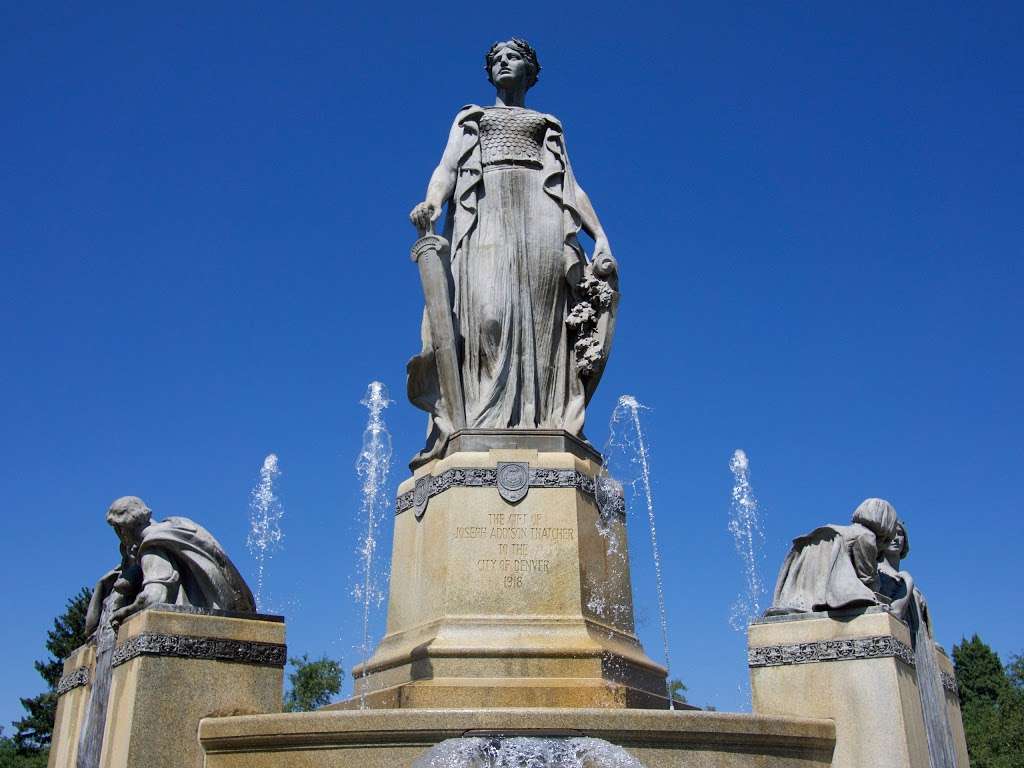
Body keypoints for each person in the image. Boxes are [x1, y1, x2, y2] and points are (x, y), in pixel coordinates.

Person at [407, 39, 618, 466]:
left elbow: (571, 187)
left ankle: (541, 420)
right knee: (487, 315)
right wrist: (431, 202)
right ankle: (480, 419)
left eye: (513, 56)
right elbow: (447, 168)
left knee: (543, 324)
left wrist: (600, 237)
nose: (504, 62)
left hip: (540, 219)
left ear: (531, 71)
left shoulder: (547, 124)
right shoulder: (473, 118)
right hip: (485, 214)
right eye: (496, 59)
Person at [76, 497, 255, 768]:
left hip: (182, 632)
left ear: (126, 527)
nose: (119, 536)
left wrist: (126, 612)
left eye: (119, 529)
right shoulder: (165, 533)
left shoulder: (152, 547)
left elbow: (157, 592)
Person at [767, 497, 898, 615]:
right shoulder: (866, 536)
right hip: (834, 590)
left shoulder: (839, 531)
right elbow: (866, 578)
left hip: (805, 586)